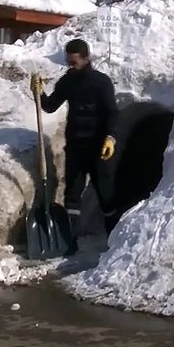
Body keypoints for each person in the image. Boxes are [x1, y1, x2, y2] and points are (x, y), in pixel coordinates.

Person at [32, 38, 120, 235]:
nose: (70, 66)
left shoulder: (101, 82)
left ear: (86, 58)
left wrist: (111, 137)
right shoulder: (67, 81)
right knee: (71, 194)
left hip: (99, 147)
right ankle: (70, 240)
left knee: (106, 194)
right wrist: (39, 93)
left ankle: (113, 238)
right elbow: (50, 106)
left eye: (74, 62)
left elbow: (113, 112)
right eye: (68, 61)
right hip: (75, 146)